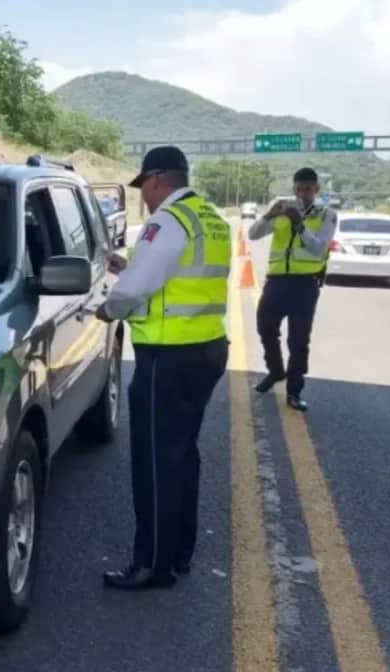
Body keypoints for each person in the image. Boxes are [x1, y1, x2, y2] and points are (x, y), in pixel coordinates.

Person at [95, 146, 231, 590]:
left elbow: (137, 286)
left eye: (144, 189)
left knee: (154, 462)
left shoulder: (167, 220)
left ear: (156, 180)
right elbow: (173, 275)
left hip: (167, 358)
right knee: (182, 455)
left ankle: (152, 563)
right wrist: (129, 266)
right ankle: (179, 553)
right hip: (206, 349)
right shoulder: (208, 217)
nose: (144, 199)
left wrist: (109, 310)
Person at [247, 167, 337, 411]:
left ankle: (294, 392)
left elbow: (318, 248)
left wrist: (299, 225)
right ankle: (276, 370)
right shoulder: (282, 212)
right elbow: (253, 235)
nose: (302, 194)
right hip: (277, 281)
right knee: (265, 327)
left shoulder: (326, 215)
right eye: (298, 189)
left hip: (305, 285)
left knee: (298, 340)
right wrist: (269, 215)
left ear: (316, 190)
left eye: (307, 189)